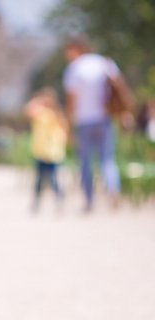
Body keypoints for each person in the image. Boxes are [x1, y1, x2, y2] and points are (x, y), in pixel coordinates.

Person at [62, 35, 130, 212]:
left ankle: (89, 200)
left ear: (76, 49)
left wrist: (67, 123)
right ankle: (113, 189)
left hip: (84, 120)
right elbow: (118, 90)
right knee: (107, 159)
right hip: (104, 118)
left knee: (85, 161)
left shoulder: (74, 68)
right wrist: (123, 115)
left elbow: (71, 100)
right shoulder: (105, 63)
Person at [24, 88, 68, 212]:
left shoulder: (53, 115)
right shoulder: (42, 113)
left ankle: (59, 201)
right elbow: (28, 111)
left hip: (51, 153)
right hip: (41, 152)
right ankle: (38, 203)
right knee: (40, 181)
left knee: (52, 180)